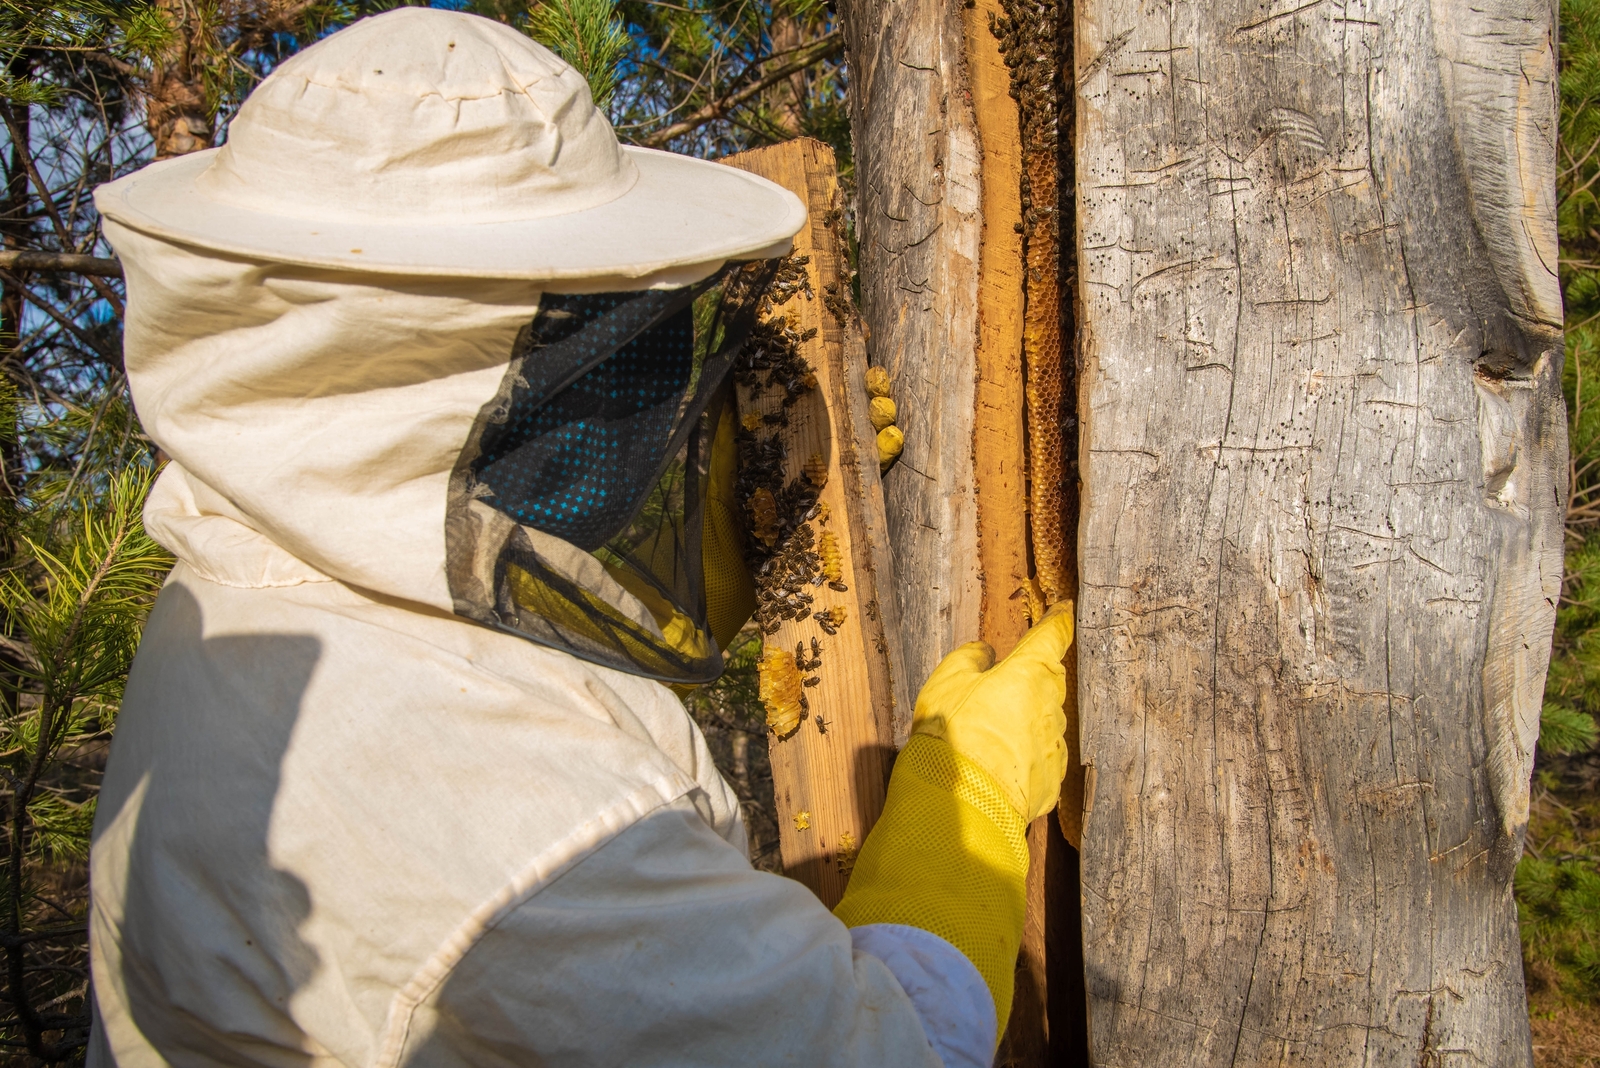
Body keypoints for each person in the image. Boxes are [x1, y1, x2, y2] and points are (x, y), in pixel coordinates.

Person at [86, 9, 1074, 1067]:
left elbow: (476, 618)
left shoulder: (235, 582)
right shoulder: (530, 841)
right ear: (462, 365)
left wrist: (730, 541)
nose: (644, 389)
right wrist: (956, 810)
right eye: (610, 351)